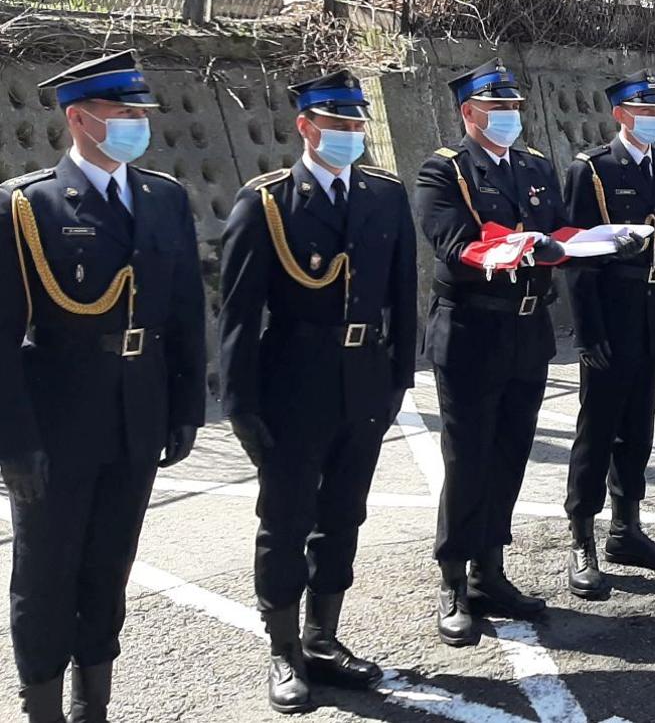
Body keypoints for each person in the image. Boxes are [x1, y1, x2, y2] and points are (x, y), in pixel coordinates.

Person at [0, 50, 204, 722]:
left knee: (109, 565)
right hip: (57, 423)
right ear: (79, 119)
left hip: (136, 416)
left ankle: (94, 704)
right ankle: (43, 708)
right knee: (45, 573)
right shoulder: (27, 207)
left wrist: (184, 408)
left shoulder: (164, 198)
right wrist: (13, 444)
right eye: (124, 114)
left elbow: (182, 315)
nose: (137, 124)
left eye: (141, 113)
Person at [221, 70, 413, 713]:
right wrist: (241, 406)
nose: (352, 134)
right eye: (338, 124)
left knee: (343, 516)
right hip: (294, 379)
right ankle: (283, 652)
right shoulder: (269, 201)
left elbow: (402, 296)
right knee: (285, 520)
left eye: (358, 124)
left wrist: (399, 379)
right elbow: (240, 317)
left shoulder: (385, 196)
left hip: (364, 379)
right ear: (306, 126)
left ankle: (323, 637)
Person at [415, 59, 573, 646]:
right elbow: (455, 244)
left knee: (510, 453)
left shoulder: (532, 167)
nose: (509, 118)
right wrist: (525, 247)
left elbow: (561, 229)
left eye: (514, 109)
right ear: (469, 113)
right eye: (497, 109)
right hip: (472, 333)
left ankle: (491, 571)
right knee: (468, 457)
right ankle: (453, 579)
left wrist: (592, 241)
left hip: (528, 333)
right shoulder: (445, 172)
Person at [557, 70, 655, 602]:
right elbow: (577, 256)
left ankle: (625, 528)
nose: (654, 121)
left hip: (651, 310)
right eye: (645, 113)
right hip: (610, 312)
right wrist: (588, 331)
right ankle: (581, 537)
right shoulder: (592, 170)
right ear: (621, 115)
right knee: (598, 428)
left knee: (639, 425)